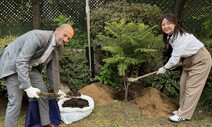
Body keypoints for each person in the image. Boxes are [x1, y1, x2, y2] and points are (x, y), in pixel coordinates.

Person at [0, 24, 74, 127]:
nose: (66, 40)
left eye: (69, 38)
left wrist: (56, 89)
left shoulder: (58, 47)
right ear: (57, 30)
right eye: (65, 35)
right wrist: (27, 87)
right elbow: (21, 61)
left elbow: (53, 69)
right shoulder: (38, 37)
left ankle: (45, 123)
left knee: (42, 93)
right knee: (15, 102)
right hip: (13, 65)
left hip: (30, 67)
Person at [156, 13, 212, 122]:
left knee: (192, 88)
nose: (166, 26)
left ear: (175, 24)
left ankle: (184, 114)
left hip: (201, 60)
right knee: (183, 84)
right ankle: (183, 109)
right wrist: (171, 65)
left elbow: (175, 58)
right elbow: (179, 55)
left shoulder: (179, 37)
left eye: (169, 23)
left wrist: (164, 68)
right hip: (189, 61)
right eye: (163, 24)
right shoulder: (171, 36)